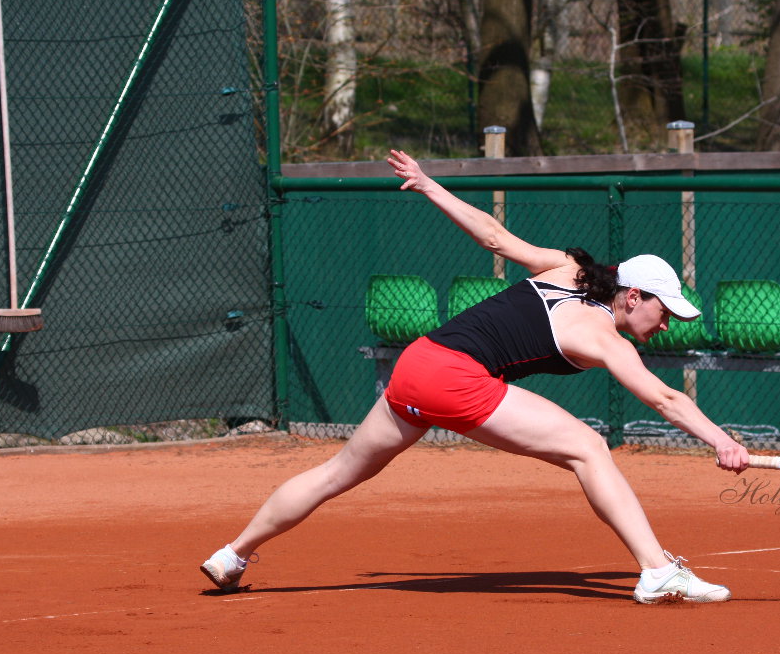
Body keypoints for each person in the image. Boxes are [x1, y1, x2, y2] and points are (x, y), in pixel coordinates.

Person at [201, 149, 750, 604]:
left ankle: (232, 554)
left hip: (417, 363)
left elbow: (493, 237)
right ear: (634, 295)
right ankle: (656, 570)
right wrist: (721, 440)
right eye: (666, 310)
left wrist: (428, 185)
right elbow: (665, 398)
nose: (667, 323)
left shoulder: (568, 269)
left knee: (335, 473)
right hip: (455, 377)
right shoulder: (602, 335)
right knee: (588, 446)